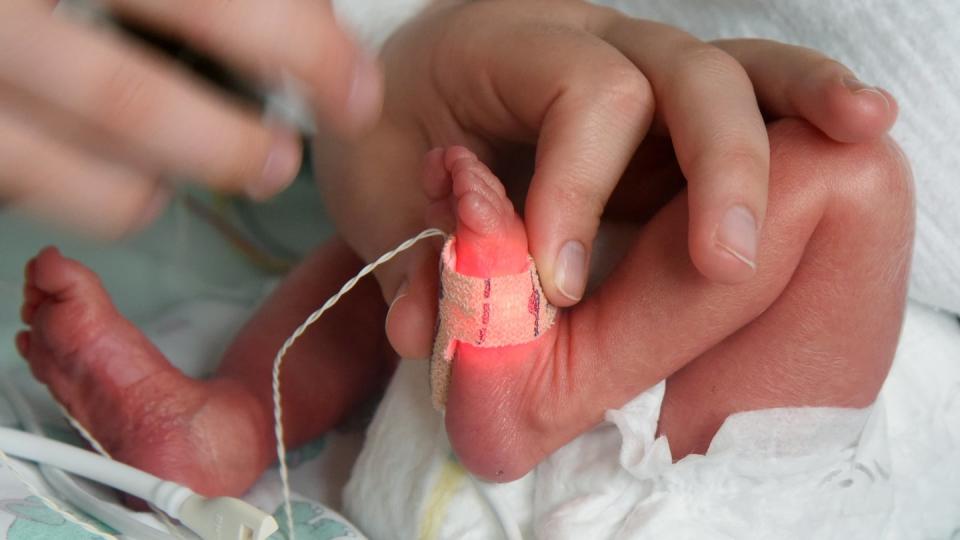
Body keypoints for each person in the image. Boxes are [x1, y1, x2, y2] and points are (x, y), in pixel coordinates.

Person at [10, 0, 909, 503]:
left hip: (686, 442)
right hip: (491, 330)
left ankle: (548, 388)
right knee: (424, 213)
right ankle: (240, 421)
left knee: (852, 172)